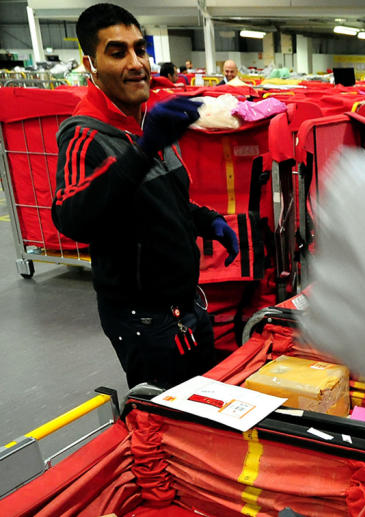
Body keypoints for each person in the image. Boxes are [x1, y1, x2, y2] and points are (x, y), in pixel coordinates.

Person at [52, 3, 238, 388]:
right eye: (117, 52)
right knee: (167, 425)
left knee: (205, 408)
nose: (136, 62)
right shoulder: (84, 136)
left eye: (140, 48)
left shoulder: (147, 123)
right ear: (90, 65)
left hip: (185, 305)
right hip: (142, 319)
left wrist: (206, 220)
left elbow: (162, 201)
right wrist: (142, 150)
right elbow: (72, 217)